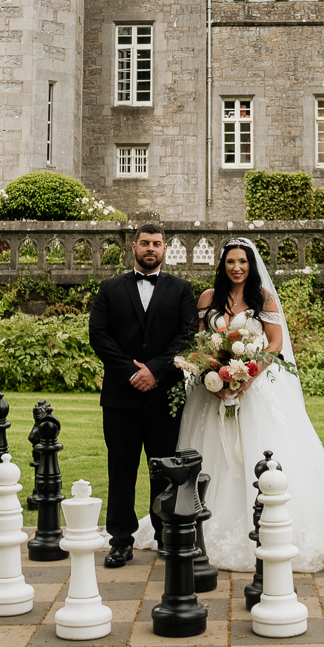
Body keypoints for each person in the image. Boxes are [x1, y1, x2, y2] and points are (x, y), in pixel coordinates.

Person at [138, 238, 324, 571]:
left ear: (251, 264)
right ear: (222, 265)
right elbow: (198, 342)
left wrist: (249, 374)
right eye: (230, 262)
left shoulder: (264, 299)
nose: (237, 267)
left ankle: (266, 525)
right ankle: (198, 524)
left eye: (242, 261)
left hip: (255, 390)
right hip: (211, 392)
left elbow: (274, 343)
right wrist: (212, 377)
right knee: (209, 456)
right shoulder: (208, 299)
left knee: (260, 456)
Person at [87, 222, 198, 568]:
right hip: (120, 397)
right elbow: (99, 336)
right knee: (121, 469)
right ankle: (121, 540)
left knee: (163, 470)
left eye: (157, 244)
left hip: (164, 396)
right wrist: (133, 372)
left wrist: (155, 371)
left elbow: (187, 336)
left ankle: (165, 535)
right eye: (145, 243)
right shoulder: (109, 288)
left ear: (166, 250)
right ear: (133, 247)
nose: (151, 249)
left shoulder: (181, 289)